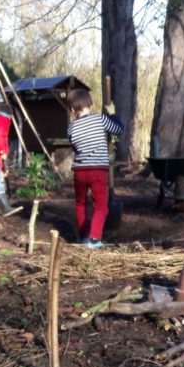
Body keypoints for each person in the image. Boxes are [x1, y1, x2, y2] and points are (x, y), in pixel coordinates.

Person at [67, 89, 122, 249]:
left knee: (80, 204)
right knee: (101, 207)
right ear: (90, 104)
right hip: (97, 170)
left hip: (79, 171)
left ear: (72, 110)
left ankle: (84, 236)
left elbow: (74, 146)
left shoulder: (71, 128)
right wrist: (112, 114)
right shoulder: (100, 119)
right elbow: (118, 130)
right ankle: (94, 239)